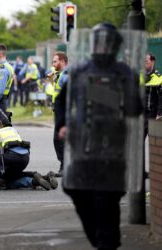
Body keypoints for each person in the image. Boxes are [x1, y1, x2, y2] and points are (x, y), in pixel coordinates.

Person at [58, 23, 143, 250]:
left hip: (112, 149)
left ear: (115, 45)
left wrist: (101, 95)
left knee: (106, 202)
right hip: (82, 146)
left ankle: (107, 243)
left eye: (108, 42)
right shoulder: (79, 71)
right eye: (99, 41)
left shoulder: (125, 73)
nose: (103, 46)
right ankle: (102, 240)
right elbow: (62, 102)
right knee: (74, 188)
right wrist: (63, 125)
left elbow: (135, 109)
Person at [51, 52, 68, 177]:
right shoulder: (60, 75)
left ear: (62, 61)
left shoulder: (65, 76)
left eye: (55, 61)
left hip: (64, 112)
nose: (53, 64)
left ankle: (64, 166)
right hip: (59, 111)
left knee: (58, 140)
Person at [144, 52, 162, 137]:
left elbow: (161, 97)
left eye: (146, 61)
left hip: (152, 114)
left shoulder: (159, 78)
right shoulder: (140, 76)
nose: (144, 63)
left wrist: (159, 113)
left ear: (152, 62)